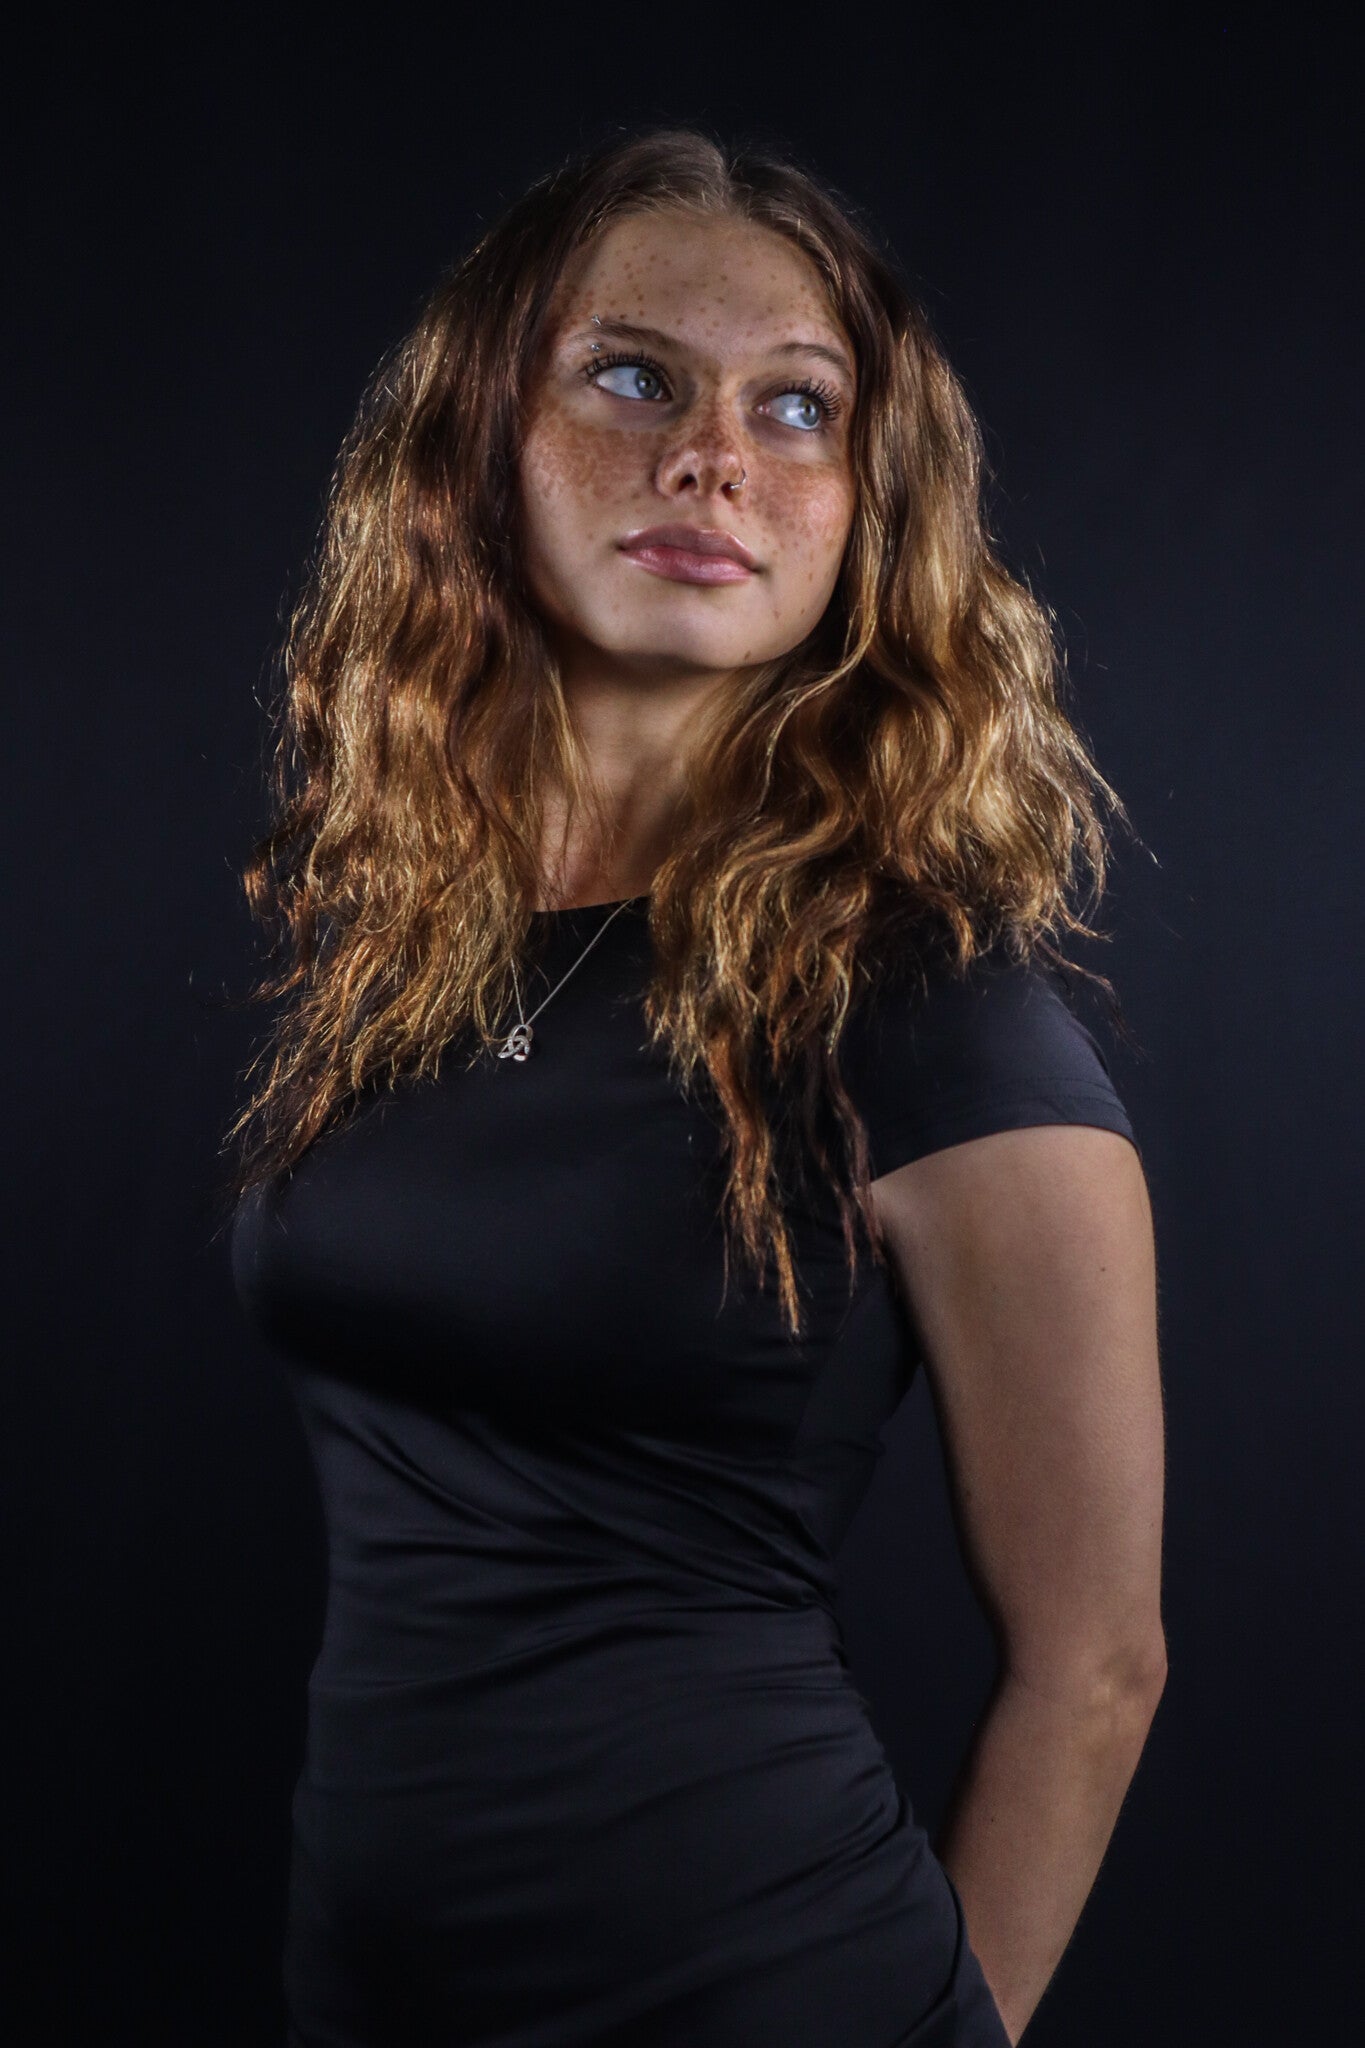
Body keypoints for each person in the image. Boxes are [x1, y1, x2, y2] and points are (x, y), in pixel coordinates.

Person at [224, 126, 1166, 2048]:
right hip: (370, 1984)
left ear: (865, 510)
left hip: (762, 1986)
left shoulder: (932, 1018)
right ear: (480, 436)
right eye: (632, 377)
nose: (713, 458)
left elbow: (1096, 1664)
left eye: (795, 406)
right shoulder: (415, 944)